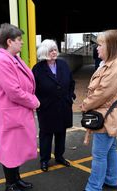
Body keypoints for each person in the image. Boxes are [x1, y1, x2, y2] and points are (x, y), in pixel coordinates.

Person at [77, 30, 117, 191]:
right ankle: (111, 179)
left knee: (99, 154)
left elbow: (102, 93)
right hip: (110, 115)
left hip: (106, 116)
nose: (97, 48)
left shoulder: (116, 65)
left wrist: (85, 104)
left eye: (100, 45)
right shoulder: (113, 63)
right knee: (110, 149)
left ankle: (94, 187)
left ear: (111, 46)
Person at [0, 23, 40, 191]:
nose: (22, 43)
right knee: (10, 151)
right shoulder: (2, 61)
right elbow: (14, 91)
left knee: (16, 149)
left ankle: (16, 179)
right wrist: (34, 101)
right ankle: (10, 186)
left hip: (17, 112)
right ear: (9, 41)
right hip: (11, 114)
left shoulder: (13, 58)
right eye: (19, 40)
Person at [32, 39, 76, 172]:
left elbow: (71, 82)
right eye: (51, 50)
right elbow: (33, 88)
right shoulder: (38, 68)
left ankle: (59, 156)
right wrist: (39, 103)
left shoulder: (63, 64)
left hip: (63, 105)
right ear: (44, 52)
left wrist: (70, 97)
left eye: (55, 49)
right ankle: (44, 160)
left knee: (61, 132)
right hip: (46, 107)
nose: (54, 52)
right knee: (46, 134)